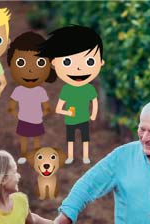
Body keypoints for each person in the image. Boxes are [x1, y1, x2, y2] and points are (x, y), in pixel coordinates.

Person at [37, 25, 104, 164]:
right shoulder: (67, 90)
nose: (78, 68)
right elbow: (59, 108)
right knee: (71, 139)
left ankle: (85, 156)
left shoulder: (88, 89)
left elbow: (95, 103)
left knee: (85, 139)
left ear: (100, 62)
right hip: (71, 120)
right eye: (67, 62)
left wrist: (92, 115)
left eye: (89, 61)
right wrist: (68, 112)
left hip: (84, 118)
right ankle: (71, 156)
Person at [6, 31, 56, 164]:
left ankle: (36, 155)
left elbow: (46, 107)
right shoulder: (19, 90)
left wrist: (41, 114)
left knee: (36, 138)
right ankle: (23, 155)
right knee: (24, 138)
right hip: (24, 119)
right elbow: (11, 106)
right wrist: (18, 114)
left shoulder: (40, 91)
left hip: (35, 119)